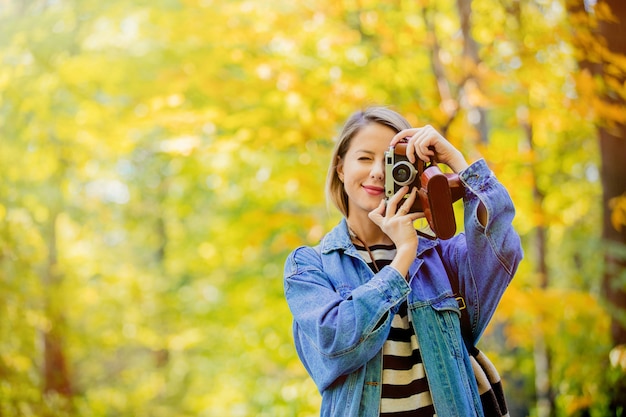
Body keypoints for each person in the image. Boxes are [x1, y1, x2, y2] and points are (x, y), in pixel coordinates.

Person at [283, 106, 523, 417]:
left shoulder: (443, 256)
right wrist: (403, 256)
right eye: (365, 158)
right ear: (341, 168)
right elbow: (337, 343)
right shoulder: (310, 265)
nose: (378, 172)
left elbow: (504, 251)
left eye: (390, 160)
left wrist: (459, 166)